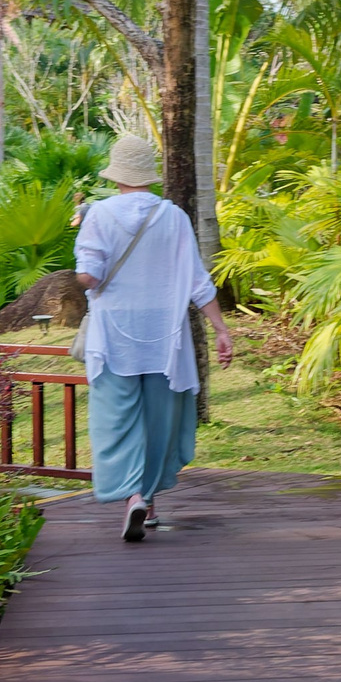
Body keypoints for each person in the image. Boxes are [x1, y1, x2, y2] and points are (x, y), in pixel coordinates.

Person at [73, 134, 234, 543]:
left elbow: (89, 275)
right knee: (160, 420)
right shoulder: (173, 216)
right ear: (148, 176)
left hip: (114, 336)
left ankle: (133, 498)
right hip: (166, 336)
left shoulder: (98, 214)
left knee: (118, 420)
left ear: (116, 176)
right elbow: (198, 281)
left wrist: (85, 274)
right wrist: (220, 329)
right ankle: (149, 499)